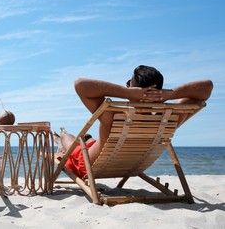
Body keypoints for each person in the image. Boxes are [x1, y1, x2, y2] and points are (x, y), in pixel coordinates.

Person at [54, 65, 213, 178]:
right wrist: (170, 95)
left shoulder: (113, 115)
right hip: (132, 166)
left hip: (88, 165)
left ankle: (62, 135)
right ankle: (77, 138)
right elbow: (207, 88)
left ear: (131, 86)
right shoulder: (170, 119)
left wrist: (125, 92)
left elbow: (80, 84)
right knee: (88, 142)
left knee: (71, 144)